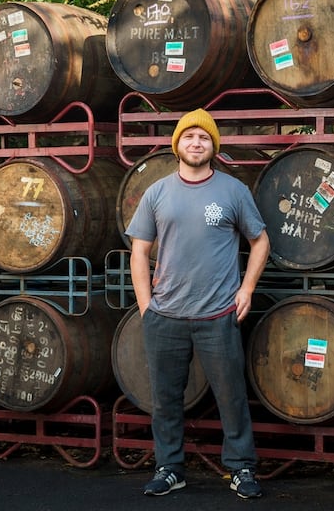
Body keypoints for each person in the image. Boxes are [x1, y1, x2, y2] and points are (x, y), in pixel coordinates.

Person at [127, 108, 271, 499]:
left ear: (213, 146)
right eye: (189, 136)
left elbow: (260, 241)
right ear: (178, 145)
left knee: (231, 396)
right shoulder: (158, 193)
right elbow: (138, 252)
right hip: (166, 316)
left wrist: (247, 289)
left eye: (204, 137)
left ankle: (241, 469)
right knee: (166, 400)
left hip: (218, 314)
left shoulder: (232, 191)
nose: (196, 143)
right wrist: (146, 306)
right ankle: (170, 468)